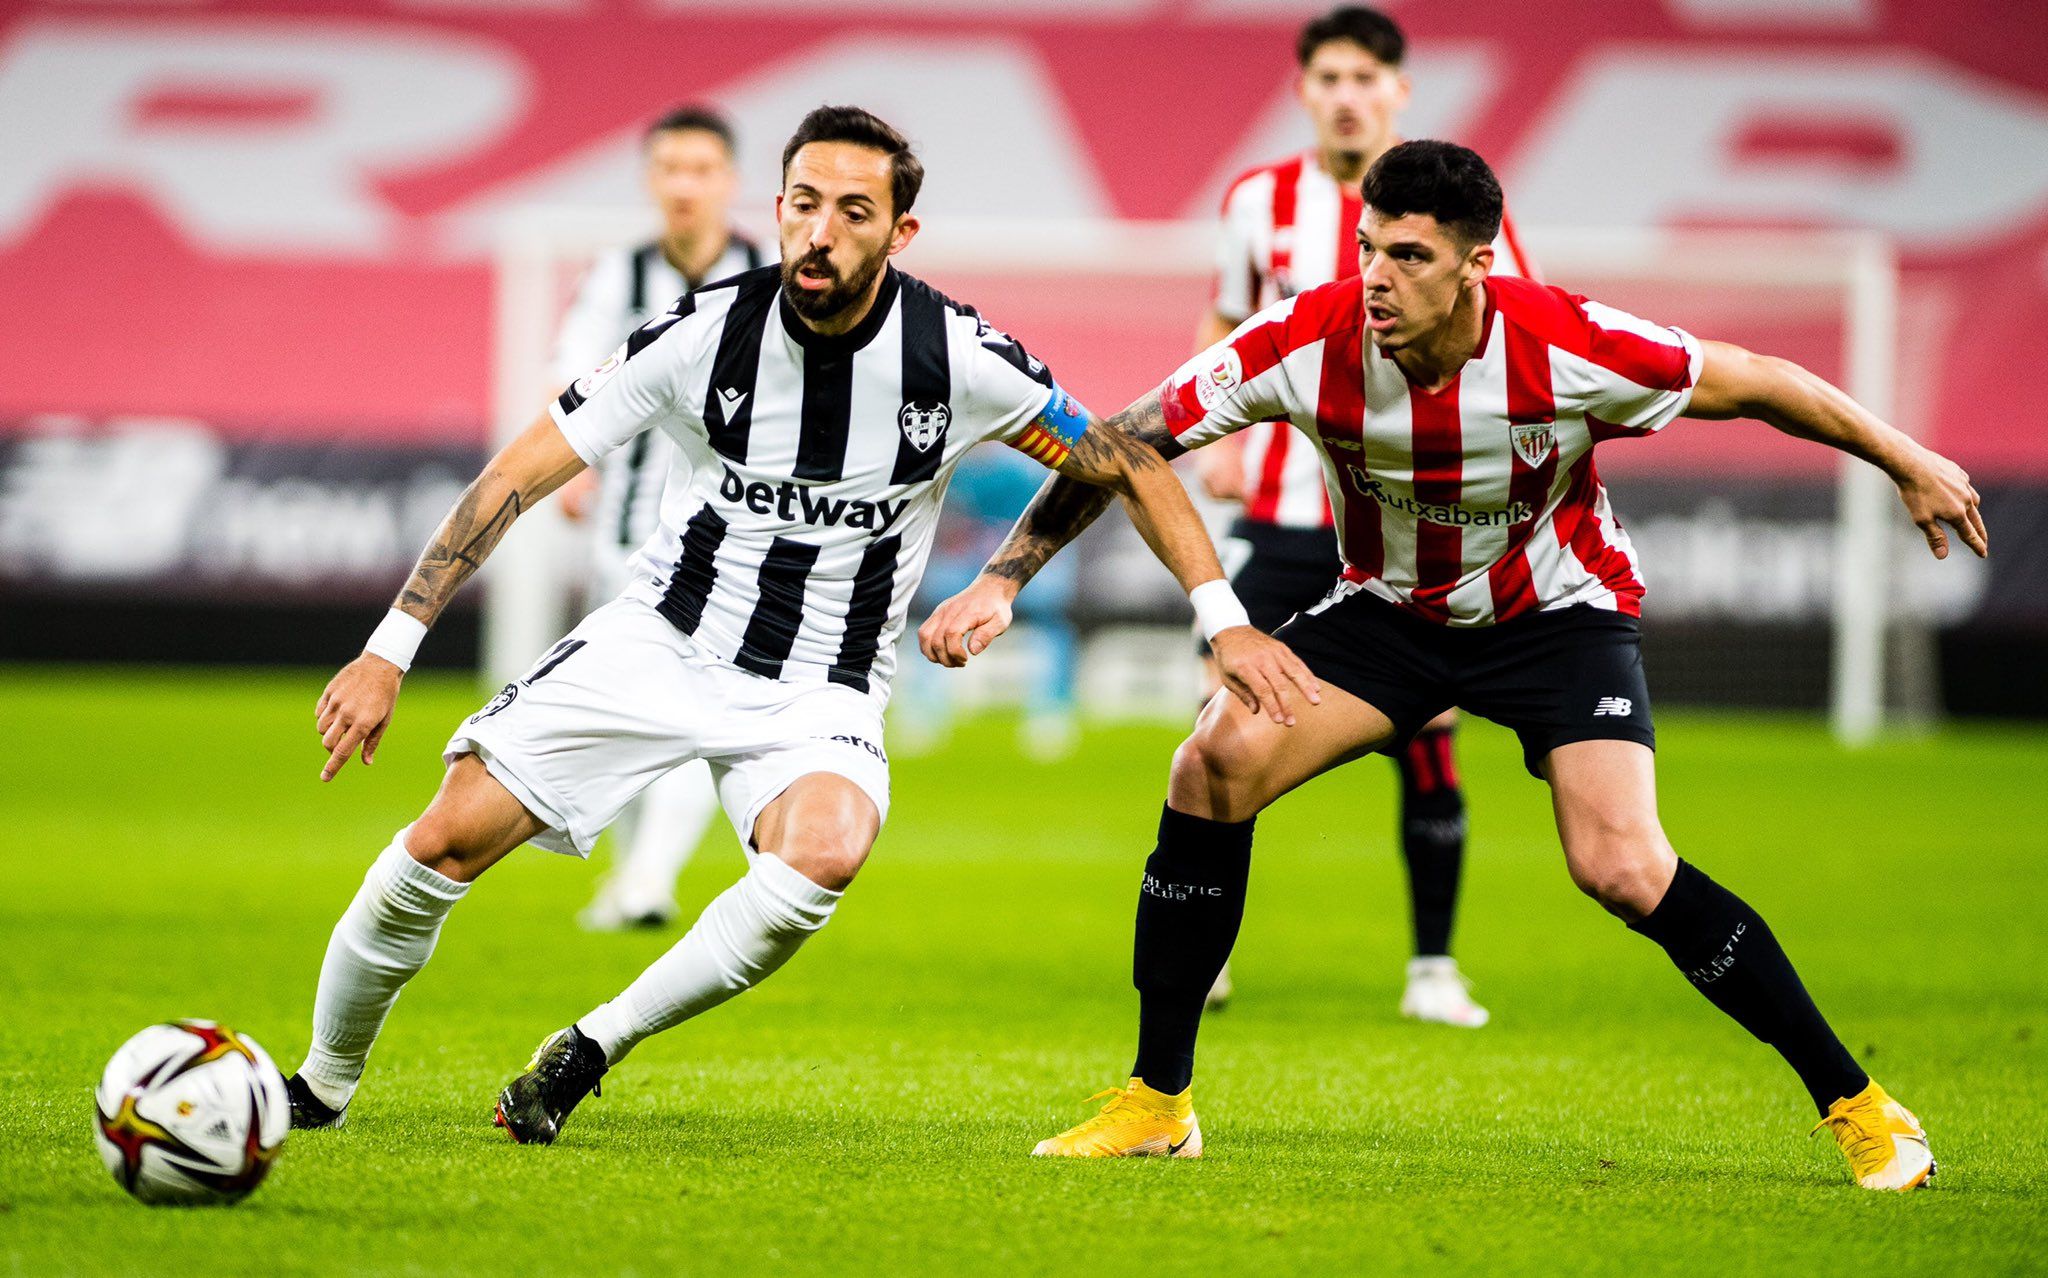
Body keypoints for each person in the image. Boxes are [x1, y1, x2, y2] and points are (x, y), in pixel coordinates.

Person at [923, 141, 1984, 1189]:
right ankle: (1156, 1103)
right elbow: (1120, 441)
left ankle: (1856, 1102)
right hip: (1389, 614)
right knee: (1210, 764)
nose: (1375, 279)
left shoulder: (1566, 343)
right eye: (1366, 249)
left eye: (1409, 258)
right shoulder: (1304, 338)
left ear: (1477, 264)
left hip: (1555, 617)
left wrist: (1909, 459)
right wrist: (1005, 578)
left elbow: (1755, 381)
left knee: (1619, 866)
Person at [283, 104, 1316, 1145]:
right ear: (777, 209)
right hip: (661, 640)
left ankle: (591, 1046)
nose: (819, 232)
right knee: (440, 843)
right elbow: (518, 472)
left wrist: (1206, 615)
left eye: (853, 211)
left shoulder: (954, 357)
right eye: (804, 205)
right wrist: (387, 649)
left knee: (824, 850)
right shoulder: (703, 331)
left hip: (822, 684)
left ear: (899, 233)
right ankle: (318, 1086)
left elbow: (1123, 462)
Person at [1195, 6, 1534, 1022]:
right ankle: (1205, 945)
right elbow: (1224, 316)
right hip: (1288, 510)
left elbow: (1514, 327)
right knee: (1221, 718)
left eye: (1364, 78)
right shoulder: (1258, 200)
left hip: (1412, 522)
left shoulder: (1457, 209)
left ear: (1397, 92)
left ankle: (1431, 967)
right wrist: (1215, 435)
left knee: (1429, 728)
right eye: (1328, 76)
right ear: (1303, 88)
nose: (1345, 94)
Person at [548, 104, 771, 933]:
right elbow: (573, 376)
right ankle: (631, 876)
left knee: (688, 701)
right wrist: (574, 465)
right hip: (629, 532)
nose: (685, 186)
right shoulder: (617, 277)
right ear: (651, 180)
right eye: (670, 169)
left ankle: (646, 879)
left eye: (701, 169)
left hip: (736, 536)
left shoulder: (772, 271)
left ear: (729, 181)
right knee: (634, 705)